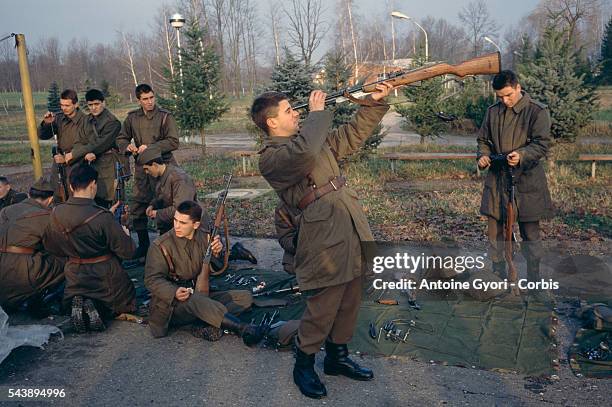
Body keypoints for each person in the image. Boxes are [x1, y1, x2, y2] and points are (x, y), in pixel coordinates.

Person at [251, 84, 394, 399]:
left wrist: (371, 104)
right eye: (289, 111)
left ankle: (337, 357)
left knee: (351, 296)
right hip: (323, 237)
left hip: (348, 223)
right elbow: (303, 154)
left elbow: (350, 136)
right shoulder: (272, 157)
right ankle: (304, 363)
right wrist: (317, 115)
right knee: (324, 304)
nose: (297, 113)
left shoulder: (309, 140)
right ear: (271, 122)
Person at [144, 200, 265, 346]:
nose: (176, 226)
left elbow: (219, 269)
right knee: (196, 301)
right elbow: (152, 280)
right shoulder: (161, 245)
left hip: (199, 292)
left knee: (244, 298)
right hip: (172, 305)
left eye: (183, 223)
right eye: (175, 220)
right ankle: (241, 328)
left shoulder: (203, 237)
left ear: (195, 225)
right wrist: (174, 292)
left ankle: (206, 319)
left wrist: (217, 253)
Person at [477, 70, 553, 281]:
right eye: (500, 96)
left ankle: (534, 279)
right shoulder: (493, 112)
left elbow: (542, 144)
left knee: (530, 234)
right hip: (497, 179)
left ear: (518, 87)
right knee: (496, 233)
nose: (505, 100)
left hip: (526, 181)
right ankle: (499, 275)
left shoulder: (537, 111)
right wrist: (483, 156)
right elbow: (483, 140)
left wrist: (522, 155)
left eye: (508, 95)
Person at [43, 163, 136, 333]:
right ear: (93, 185)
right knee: (125, 301)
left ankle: (78, 303)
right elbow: (128, 252)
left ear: (71, 186)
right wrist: (125, 233)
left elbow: (51, 246)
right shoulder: (102, 216)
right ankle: (98, 309)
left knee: (73, 295)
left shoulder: (55, 213)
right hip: (104, 276)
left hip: (74, 275)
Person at [117, 84, 179, 259]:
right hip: (142, 168)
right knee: (138, 204)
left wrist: (151, 148)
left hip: (163, 166)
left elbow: (173, 141)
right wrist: (127, 146)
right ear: (139, 100)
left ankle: (165, 248)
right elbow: (121, 137)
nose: (150, 101)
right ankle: (144, 246)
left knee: (165, 204)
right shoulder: (132, 118)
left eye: (151, 97)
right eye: (145, 99)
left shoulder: (165, 117)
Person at [0, 177, 65, 315]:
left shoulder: (5, 211)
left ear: (29, 195)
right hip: (23, 276)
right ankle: (46, 297)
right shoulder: (47, 216)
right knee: (66, 261)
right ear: (50, 199)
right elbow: (58, 247)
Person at [71, 88, 122, 208]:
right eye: (90, 105)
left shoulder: (112, 122)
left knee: (109, 201)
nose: (94, 108)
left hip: (107, 167)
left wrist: (88, 152)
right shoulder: (86, 120)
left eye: (97, 104)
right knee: (90, 202)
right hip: (89, 164)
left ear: (103, 103)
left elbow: (101, 143)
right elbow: (79, 141)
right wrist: (84, 154)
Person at [38, 89, 86, 201]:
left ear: (76, 104)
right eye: (62, 105)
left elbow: (87, 144)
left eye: (67, 105)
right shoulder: (59, 118)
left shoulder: (85, 121)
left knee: (75, 194)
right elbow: (43, 135)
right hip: (59, 162)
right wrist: (46, 123)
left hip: (77, 163)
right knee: (57, 193)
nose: (64, 108)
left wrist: (68, 157)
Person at [137, 147, 198, 235]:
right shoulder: (161, 175)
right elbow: (162, 196)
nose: (146, 172)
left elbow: (182, 209)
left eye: (147, 168)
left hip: (189, 227)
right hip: (172, 225)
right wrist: (152, 205)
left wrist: (157, 213)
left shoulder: (179, 179)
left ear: (154, 165)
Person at [274, 201, 298, 275]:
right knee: (291, 267)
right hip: (300, 252)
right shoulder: (283, 208)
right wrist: (299, 241)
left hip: (328, 250)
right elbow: (285, 238)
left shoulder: (326, 198)